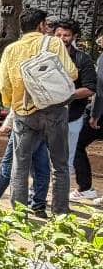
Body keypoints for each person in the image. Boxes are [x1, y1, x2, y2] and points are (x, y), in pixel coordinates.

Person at [0, 8, 77, 215]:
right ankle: (60, 213)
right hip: (54, 110)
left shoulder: (11, 49)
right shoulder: (53, 43)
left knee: (20, 165)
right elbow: (71, 73)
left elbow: (3, 84)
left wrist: (14, 104)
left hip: (24, 113)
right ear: (41, 25)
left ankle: (19, 213)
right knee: (60, 165)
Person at [0, 110, 51, 218]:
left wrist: (8, 123)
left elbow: (18, 104)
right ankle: (38, 205)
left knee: (10, 167)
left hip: (24, 125)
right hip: (43, 125)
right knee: (41, 169)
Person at [54, 19, 98, 200]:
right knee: (41, 158)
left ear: (74, 37)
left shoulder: (82, 59)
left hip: (71, 117)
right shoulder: (45, 56)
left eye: (66, 35)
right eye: (58, 34)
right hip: (46, 116)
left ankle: (60, 200)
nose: (62, 38)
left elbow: (90, 88)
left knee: (67, 160)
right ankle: (38, 195)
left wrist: (66, 95)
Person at [72, 28, 103, 202]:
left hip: (100, 113)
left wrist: (94, 114)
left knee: (76, 143)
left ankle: (85, 187)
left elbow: (100, 90)